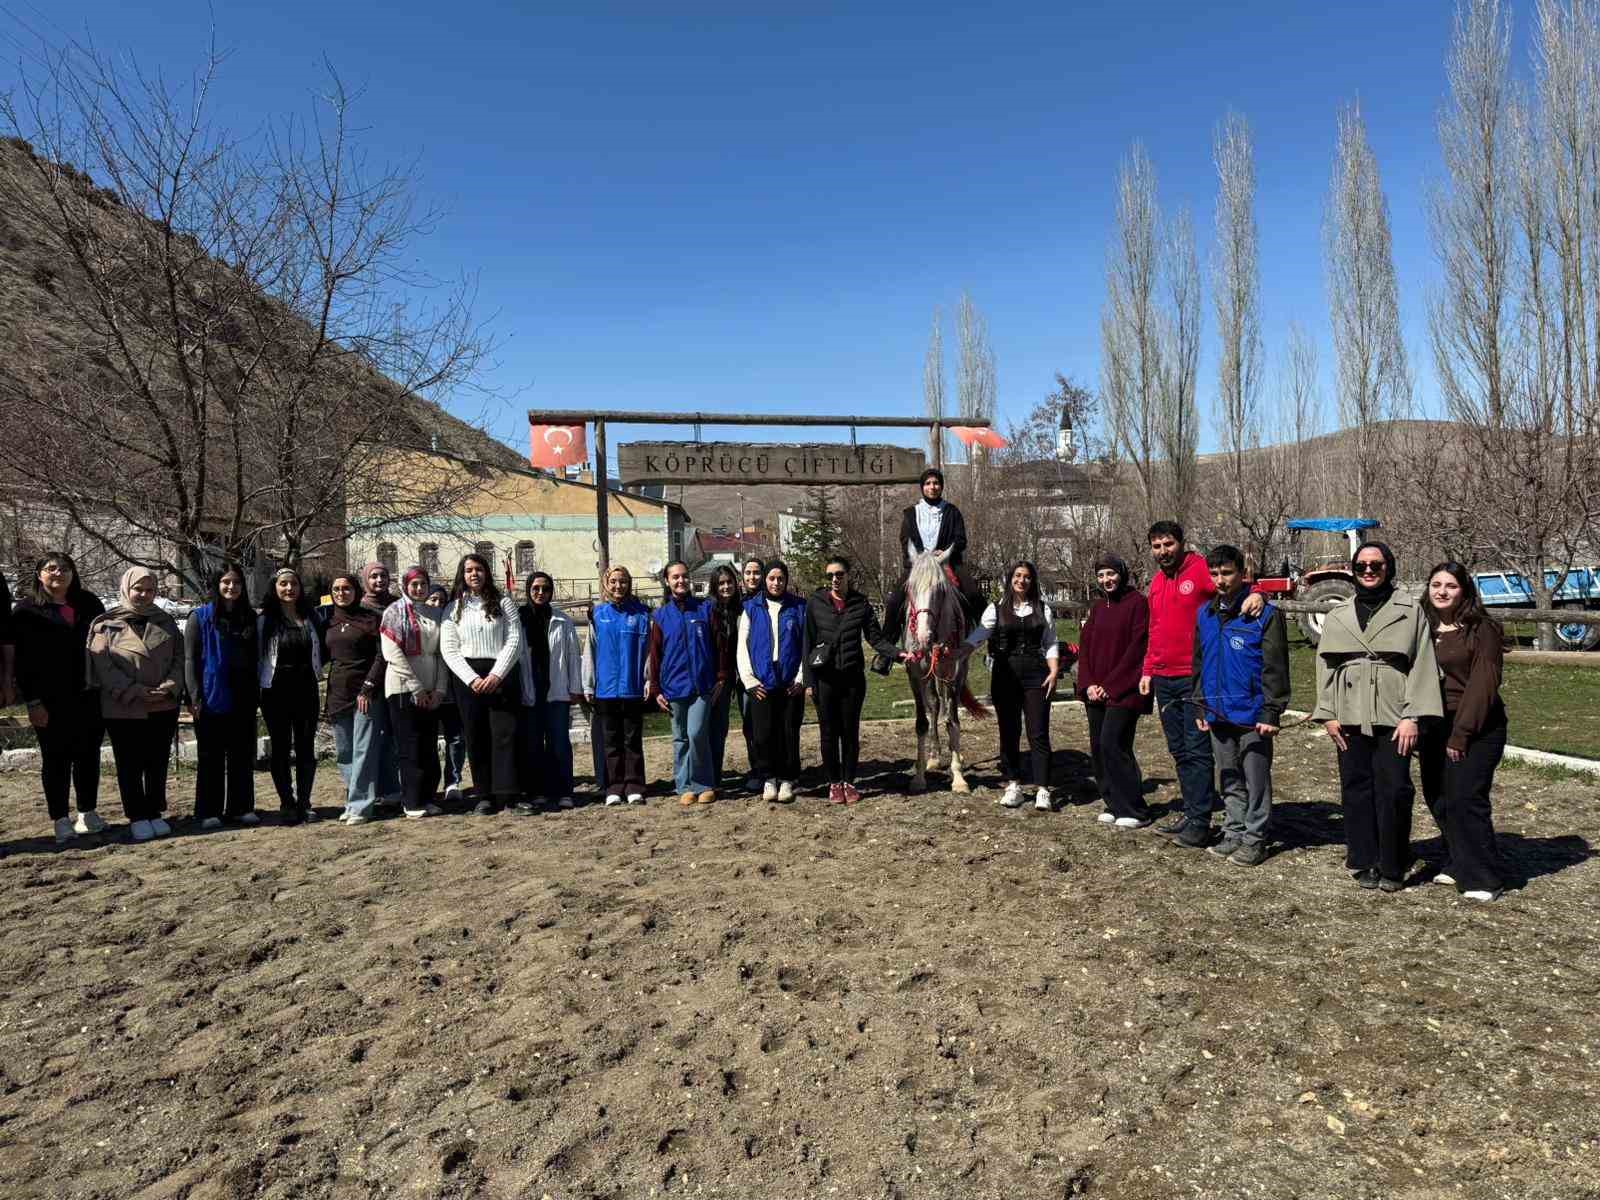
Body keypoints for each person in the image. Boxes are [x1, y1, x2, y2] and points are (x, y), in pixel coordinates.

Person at [1312, 541, 1443, 892]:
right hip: (1349, 711)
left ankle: (1394, 860)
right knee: (1356, 788)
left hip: (1394, 712)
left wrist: (1413, 716)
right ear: (1353, 571)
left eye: (1376, 565)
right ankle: (1363, 857)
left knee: (1395, 788)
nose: (1369, 571)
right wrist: (1327, 713)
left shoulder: (1410, 609)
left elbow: (1423, 664)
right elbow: (1326, 665)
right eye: (1361, 566)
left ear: (1389, 568)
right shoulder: (1338, 614)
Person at [1139, 520, 1265, 848]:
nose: (1163, 552)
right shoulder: (1156, 582)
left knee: (1197, 750)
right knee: (1179, 749)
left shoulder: (1199, 571)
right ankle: (1194, 808)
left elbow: (1236, 587)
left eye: (1168, 544)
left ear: (1181, 543)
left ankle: (1201, 821)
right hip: (1164, 677)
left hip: (1193, 677)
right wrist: (1148, 669)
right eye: (1157, 546)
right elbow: (1154, 627)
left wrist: (1259, 594)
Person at [1190, 545, 1291, 866]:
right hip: (1217, 711)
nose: (1220, 580)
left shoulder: (1264, 614)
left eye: (1227, 573)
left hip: (1251, 712)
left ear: (1242, 573)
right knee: (1229, 775)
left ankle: (1255, 837)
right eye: (1215, 574)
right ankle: (1233, 830)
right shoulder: (1205, 614)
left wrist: (1271, 710)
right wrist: (1200, 704)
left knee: (1255, 778)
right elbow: (1199, 663)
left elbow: (1275, 668)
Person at [1417, 562, 1509, 902]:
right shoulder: (1422, 626)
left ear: (1464, 591)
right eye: (1436, 584)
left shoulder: (1481, 629)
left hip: (1476, 726)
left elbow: (1483, 684)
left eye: (1451, 586)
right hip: (1433, 725)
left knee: (1465, 799)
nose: (1441, 591)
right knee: (1438, 796)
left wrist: (1462, 734)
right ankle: (1459, 860)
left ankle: (1485, 877)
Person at [86, 567, 184, 842]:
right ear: (126, 589)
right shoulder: (106, 624)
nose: (143, 594)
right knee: (129, 763)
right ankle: (137, 815)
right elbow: (102, 664)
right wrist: (134, 690)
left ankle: (154, 811)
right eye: (138, 589)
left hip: (162, 704)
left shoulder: (165, 621)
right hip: (124, 705)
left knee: (156, 761)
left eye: (150, 589)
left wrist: (169, 687)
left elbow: (179, 657)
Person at [14, 552, 106, 842]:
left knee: (88, 755)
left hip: (88, 694)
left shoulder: (89, 603)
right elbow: (23, 663)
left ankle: (87, 812)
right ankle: (60, 819)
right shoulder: (26, 612)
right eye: (51, 569)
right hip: (49, 699)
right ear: (39, 574)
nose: (59, 573)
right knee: (56, 759)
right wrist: (33, 702)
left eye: (65, 568)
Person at [961, 560, 1063, 811]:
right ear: (1010, 579)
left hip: (1036, 675)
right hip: (1005, 676)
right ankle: (1014, 784)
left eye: (1027, 576)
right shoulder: (995, 609)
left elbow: (1050, 641)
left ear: (1032, 581)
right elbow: (977, 637)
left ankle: (1042, 789)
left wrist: (1054, 669)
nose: (1022, 580)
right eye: (1017, 575)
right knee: (1009, 732)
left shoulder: (1042, 608)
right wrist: (955, 652)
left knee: (1038, 732)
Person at [803, 555, 899, 804]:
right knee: (828, 733)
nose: (834, 579)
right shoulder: (815, 603)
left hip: (852, 680)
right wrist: (809, 682)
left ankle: (849, 781)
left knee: (850, 732)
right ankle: (834, 783)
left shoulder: (861, 604)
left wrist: (899, 654)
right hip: (825, 679)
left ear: (848, 576)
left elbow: (875, 638)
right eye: (830, 575)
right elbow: (807, 644)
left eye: (839, 574)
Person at [441, 553, 524, 813]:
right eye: (468, 570)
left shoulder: (504, 603)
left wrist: (496, 674)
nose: (473, 574)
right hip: (468, 678)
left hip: (501, 673)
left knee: (504, 735)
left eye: (478, 569)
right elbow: (449, 648)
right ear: (462, 575)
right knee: (476, 737)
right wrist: (472, 679)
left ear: (486, 572)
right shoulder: (453, 608)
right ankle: (484, 796)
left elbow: (514, 640)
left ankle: (508, 795)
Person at [1076, 553, 1154, 829]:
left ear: (1122, 573)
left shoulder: (1137, 604)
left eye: (1111, 573)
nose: (1106, 580)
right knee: (1098, 747)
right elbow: (1085, 648)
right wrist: (1088, 685)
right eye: (1101, 575)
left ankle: (1135, 807)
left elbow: (1137, 649)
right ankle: (1112, 801)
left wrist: (1110, 686)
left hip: (1124, 690)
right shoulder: (1098, 608)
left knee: (1114, 743)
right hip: (1095, 692)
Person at [184, 565, 261, 828]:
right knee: (211, 756)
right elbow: (189, 659)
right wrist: (193, 696)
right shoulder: (200, 617)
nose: (232, 587)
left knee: (241, 754)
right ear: (217, 584)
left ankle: (241, 807)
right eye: (226, 582)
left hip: (243, 695)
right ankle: (208, 811)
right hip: (210, 696)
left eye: (237, 582)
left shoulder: (250, 617)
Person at [649, 560, 722, 806]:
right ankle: (684, 786)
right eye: (675, 577)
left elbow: (718, 645)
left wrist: (720, 676)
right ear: (667, 582)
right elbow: (656, 655)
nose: (681, 581)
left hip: (702, 685)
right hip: (674, 687)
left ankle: (703, 783)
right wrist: (656, 687)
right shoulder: (660, 616)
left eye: (684, 576)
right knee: (680, 737)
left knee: (697, 733)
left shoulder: (704, 609)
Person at [881, 468, 983, 638]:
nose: (932, 487)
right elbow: (906, 540)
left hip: (948, 563)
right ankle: (887, 649)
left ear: (941, 486)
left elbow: (961, 539)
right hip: (919, 565)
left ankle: (985, 641)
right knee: (894, 601)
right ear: (922, 487)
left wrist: (945, 552)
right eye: (928, 483)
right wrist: (922, 557)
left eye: (936, 483)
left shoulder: (952, 511)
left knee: (974, 594)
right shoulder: (911, 513)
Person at [381, 566, 449, 820]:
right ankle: (411, 800)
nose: (419, 589)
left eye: (423, 584)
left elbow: (442, 653)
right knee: (409, 746)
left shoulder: (437, 613)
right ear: (405, 586)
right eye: (414, 585)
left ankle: (429, 796)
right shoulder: (393, 613)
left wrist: (440, 689)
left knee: (429, 746)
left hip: (431, 688)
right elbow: (393, 654)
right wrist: (416, 688)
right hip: (402, 688)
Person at [258, 567, 324, 825]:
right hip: (276, 692)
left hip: (306, 688)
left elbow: (323, 650)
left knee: (306, 747)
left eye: (294, 584)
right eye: (283, 584)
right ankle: (287, 801)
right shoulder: (266, 620)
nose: (289, 589)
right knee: (281, 748)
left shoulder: (311, 617)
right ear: (275, 587)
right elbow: (258, 656)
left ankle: (305, 802)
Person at [582, 565, 651, 806]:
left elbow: (649, 652)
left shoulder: (642, 615)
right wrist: (588, 684)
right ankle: (613, 786)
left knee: (632, 740)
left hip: (632, 688)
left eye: (622, 581)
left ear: (629, 584)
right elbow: (590, 650)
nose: (618, 586)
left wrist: (648, 679)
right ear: (606, 584)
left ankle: (634, 785)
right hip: (606, 690)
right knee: (610, 741)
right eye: (613, 582)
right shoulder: (598, 615)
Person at [738, 560, 807, 802]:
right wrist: (749, 680)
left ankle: (788, 779)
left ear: (786, 580)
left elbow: (805, 647)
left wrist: (800, 677)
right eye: (771, 578)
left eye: (781, 578)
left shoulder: (799, 607)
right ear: (765, 580)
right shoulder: (751, 608)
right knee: (763, 733)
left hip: (790, 682)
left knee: (789, 731)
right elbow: (742, 647)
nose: (776, 583)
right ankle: (769, 778)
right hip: (761, 683)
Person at [324, 573, 388, 824]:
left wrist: (368, 687)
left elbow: (382, 655)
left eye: (347, 588)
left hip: (365, 694)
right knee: (345, 751)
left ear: (356, 591)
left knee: (364, 750)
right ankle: (353, 799)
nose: (342, 593)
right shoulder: (327, 620)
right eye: (337, 589)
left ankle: (361, 806)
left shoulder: (371, 619)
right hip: (338, 694)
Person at [518, 571, 582, 809]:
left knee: (559, 744)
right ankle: (537, 791)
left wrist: (575, 688)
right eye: (536, 588)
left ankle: (564, 790)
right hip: (530, 692)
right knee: (533, 744)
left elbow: (574, 657)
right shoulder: (519, 620)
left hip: (557, 692)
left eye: (545, 588)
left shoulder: (562, 621)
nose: (540, 593)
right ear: (528, 590)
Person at [426, 581, 468, 801]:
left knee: (456, 738)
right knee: (428, 739)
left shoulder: (455, 623)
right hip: (428, 690)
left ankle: (453, 781)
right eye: (433, 599)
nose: (437, 604)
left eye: (442, 600)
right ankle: (430, 784)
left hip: (452, 691)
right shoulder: (420, 624)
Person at [707, 564, 744, 787]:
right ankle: (705, 775)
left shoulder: (739, 610)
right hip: (711, 677)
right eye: (721, 583)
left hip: (729, 677)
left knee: (720, 728)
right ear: (714, 586)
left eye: (729, 582)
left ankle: (716, 775)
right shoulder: (708, 610)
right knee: (705, 728)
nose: (726, 586)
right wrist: (718, 676)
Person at [736, 555, 767, 792]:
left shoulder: (770, 599)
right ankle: (757, 768)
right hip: (744, 677)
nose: (752, 577)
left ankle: (775, 769)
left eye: (756, 572)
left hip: (768, 674)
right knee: (750, 725)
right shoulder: (736, 603)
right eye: (748, 572)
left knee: (772, 725)